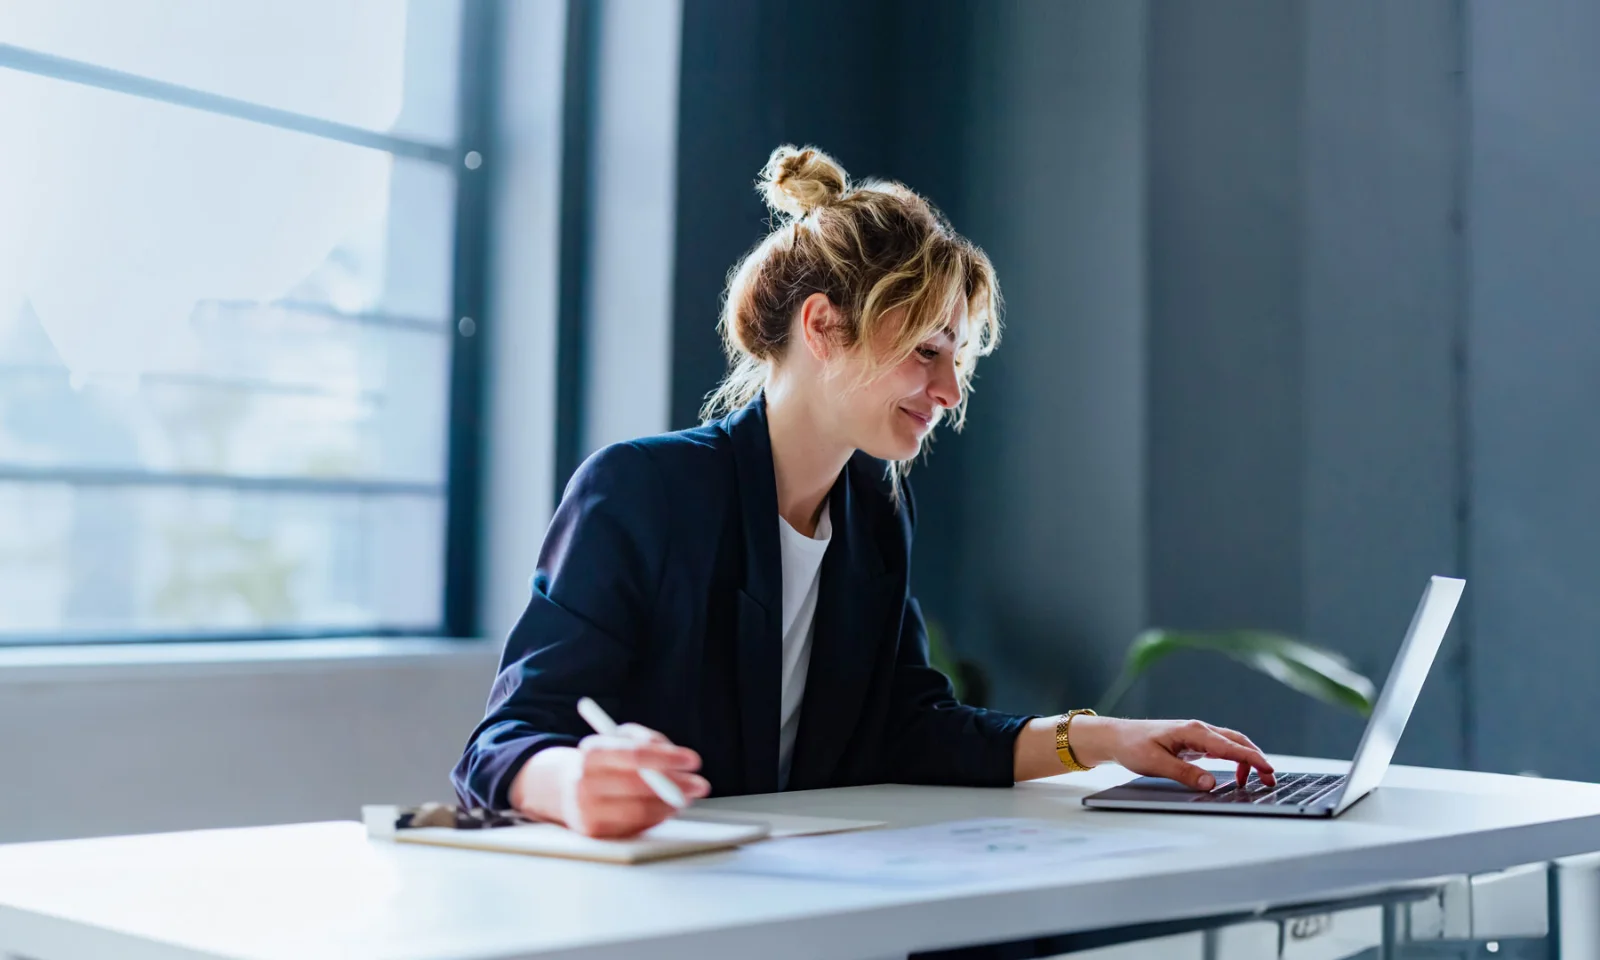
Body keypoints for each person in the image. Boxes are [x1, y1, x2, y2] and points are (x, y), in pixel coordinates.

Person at [452, 145, 1276, 838]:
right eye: (926, 351)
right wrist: (570, 782)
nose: (950, 390)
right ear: (821, 327)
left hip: (796, 898)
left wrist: (1105, 739)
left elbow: (912, 729)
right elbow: (501, 747)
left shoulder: (875, 512)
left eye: (958, 358)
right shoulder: (640, 492)